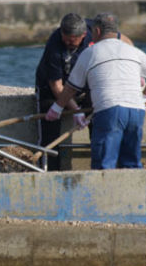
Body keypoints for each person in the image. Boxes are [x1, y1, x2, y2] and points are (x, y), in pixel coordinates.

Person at [46, 13, 146, 170]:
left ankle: (104, 194)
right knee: (131, 163)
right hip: (136, 112)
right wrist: (145, 97)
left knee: (104, 165)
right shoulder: (132, 50)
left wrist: (57, 107)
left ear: (97, 31)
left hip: (110, 111)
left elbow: (71, 88)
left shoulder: (90, 52)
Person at [34, 13, 134, 170]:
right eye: (65, 39)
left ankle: (103, 169)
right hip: (53, 91)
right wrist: (76, 111)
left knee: (100, 127)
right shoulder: (54, 44)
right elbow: (57, 85)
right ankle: (50, 173)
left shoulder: (95, 32)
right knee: (49, 135)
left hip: (86, 86)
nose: (67, 43)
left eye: (72, 41)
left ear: (84, 35)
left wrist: (133, 70)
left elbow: (124, 42)